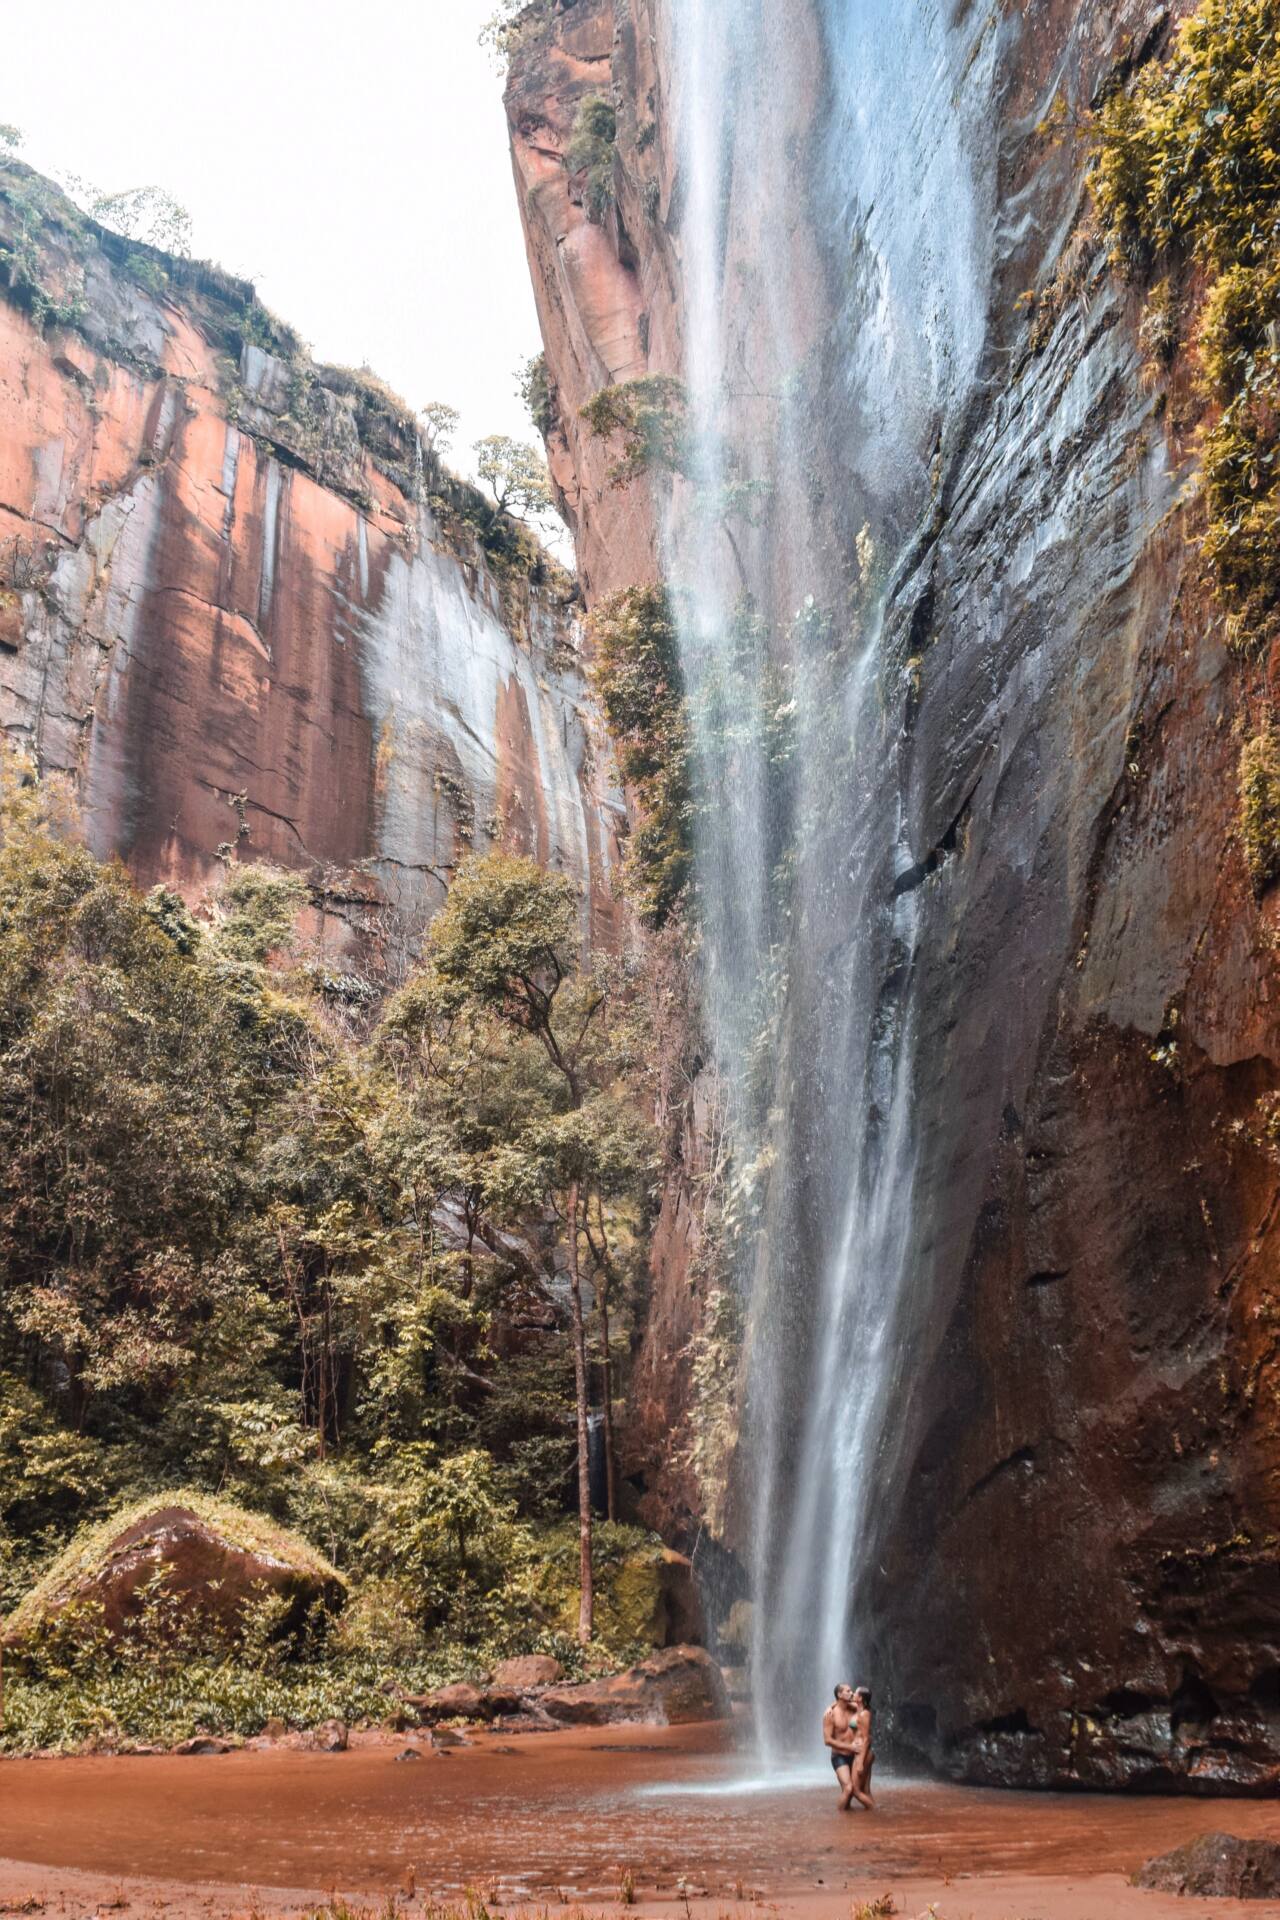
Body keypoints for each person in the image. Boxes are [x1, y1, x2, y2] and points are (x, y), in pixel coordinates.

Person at [822, 1682, 863, 1811]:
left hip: (855, 1755)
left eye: (851, 1691)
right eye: (848, 1691)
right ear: (839, 1694)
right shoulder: (830, 1715)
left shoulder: (854, 1708)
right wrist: (849, 1747)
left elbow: (864, 1705)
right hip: (839, 1756)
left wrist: (831, 1703)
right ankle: (840, 1820)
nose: (851, 1693)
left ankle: (848, 1824)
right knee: (848, 1788)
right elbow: (827, 1740)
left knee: (851, 1793)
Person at [850, 1686, 875, 1810]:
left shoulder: (865, 1714)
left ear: (860, 1698)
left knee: (855, 1790)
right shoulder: (858, 1709)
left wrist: (860, 1762)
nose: (852, 1694)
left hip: (862, 1753)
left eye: (855, 1693)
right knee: (865, 1790)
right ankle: (871, 1821)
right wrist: (830, 1707)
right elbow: (840, 1701)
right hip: (861, 1752)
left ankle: (875, 1812)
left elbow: (865, 1738)